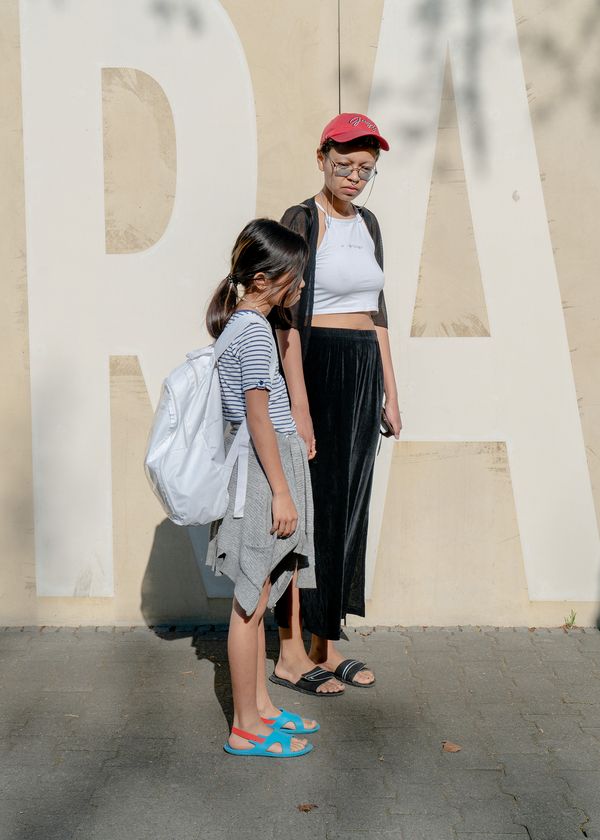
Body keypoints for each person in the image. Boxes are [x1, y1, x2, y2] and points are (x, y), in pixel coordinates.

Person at [269, 113, 402, 696]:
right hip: (315, 365)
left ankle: (328, 642)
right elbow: (285, 318)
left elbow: (378, 312)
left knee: (348, 507)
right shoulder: (301, 219)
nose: (353, 177)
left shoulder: (368, 223)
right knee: (306, 512)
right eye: (344, 164)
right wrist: (299, 407)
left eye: (365, 169)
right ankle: (290, 652)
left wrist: (390, 391)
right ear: (321, 158)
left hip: (363, 369)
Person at [205, 218, 321, 756]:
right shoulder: (252, 331)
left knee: (258, 597)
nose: (301, 286)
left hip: (259, 471)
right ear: (264, 278)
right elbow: (257, 418)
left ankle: (262, 708)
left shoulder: (242, 325)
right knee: (249, 603)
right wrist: (281, 490)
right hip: (260, 477)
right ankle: (245, 726)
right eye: (294, 276)